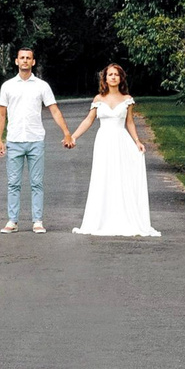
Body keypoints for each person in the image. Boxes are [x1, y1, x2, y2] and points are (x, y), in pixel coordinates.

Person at [71, 61, 160, 238]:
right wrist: (73, 136)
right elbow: (89, 120)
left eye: (116, 75)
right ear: (105, 78)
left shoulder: (127, 100)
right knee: (103, 176)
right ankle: (101, 218)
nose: (113, 77)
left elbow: (129, 122)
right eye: (110, 74)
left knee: (120, 176)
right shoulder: (98, 99)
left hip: (120, 140)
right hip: (103, 140)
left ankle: (123, 216)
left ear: (120, 78)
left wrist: (137, 141)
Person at [0, 48, 70, 233]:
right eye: (22, 58)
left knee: (36, 182)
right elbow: (2, 114)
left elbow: (54, 110)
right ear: (16, 61)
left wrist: (66, 132)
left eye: (28, 58)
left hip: (35, 139)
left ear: (33, 62)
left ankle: (37, 221)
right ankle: (12, 221)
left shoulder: (42, 86)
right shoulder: (8, 86)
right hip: (14, 140)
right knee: (13, 183)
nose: (25, 61)